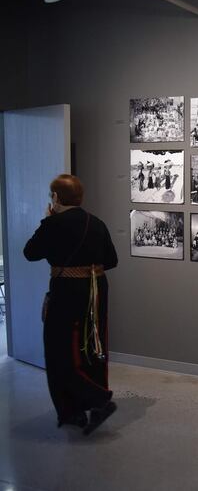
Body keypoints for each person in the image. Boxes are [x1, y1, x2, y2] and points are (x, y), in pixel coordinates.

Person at [23, 174, 118, 435]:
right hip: (96, 291)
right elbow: (112, 261)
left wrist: (48, 220)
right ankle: (89, 404)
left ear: (55, 198)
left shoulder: (53, 224)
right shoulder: (96, 222)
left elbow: (30, 253)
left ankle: (88, 404)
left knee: (58, 352)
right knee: (92, 346)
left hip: (66, 292)